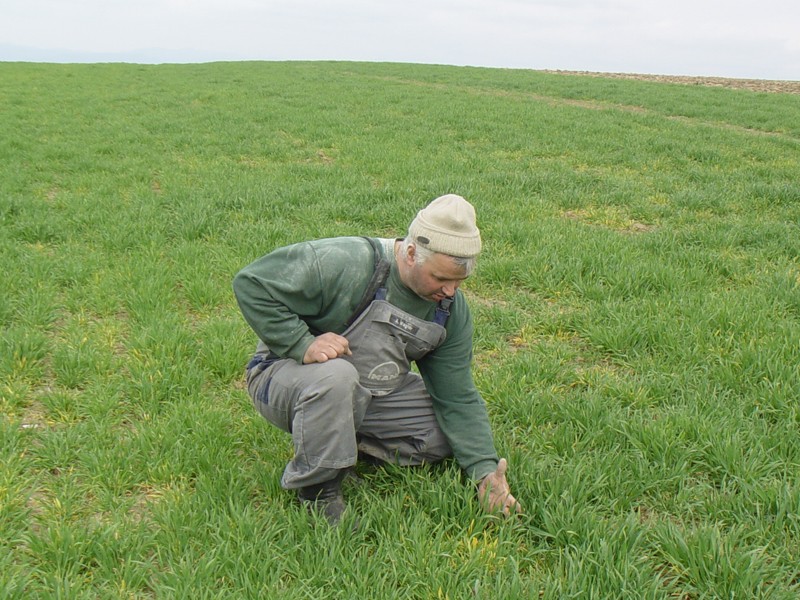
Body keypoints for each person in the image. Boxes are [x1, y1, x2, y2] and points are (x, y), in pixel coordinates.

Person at [233, 194, 521, 525]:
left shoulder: (449, 310)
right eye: (441, 279)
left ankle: (343, 444)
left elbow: (456, 396)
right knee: (336, 377)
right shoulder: (346, 261)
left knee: (445, 435)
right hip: (283, 378)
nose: (450, 291)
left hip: (373, 391)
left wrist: (484, 471)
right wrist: (302, 343)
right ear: (411, 254)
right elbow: (251, 283)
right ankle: (317, 492)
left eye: (459, 281)